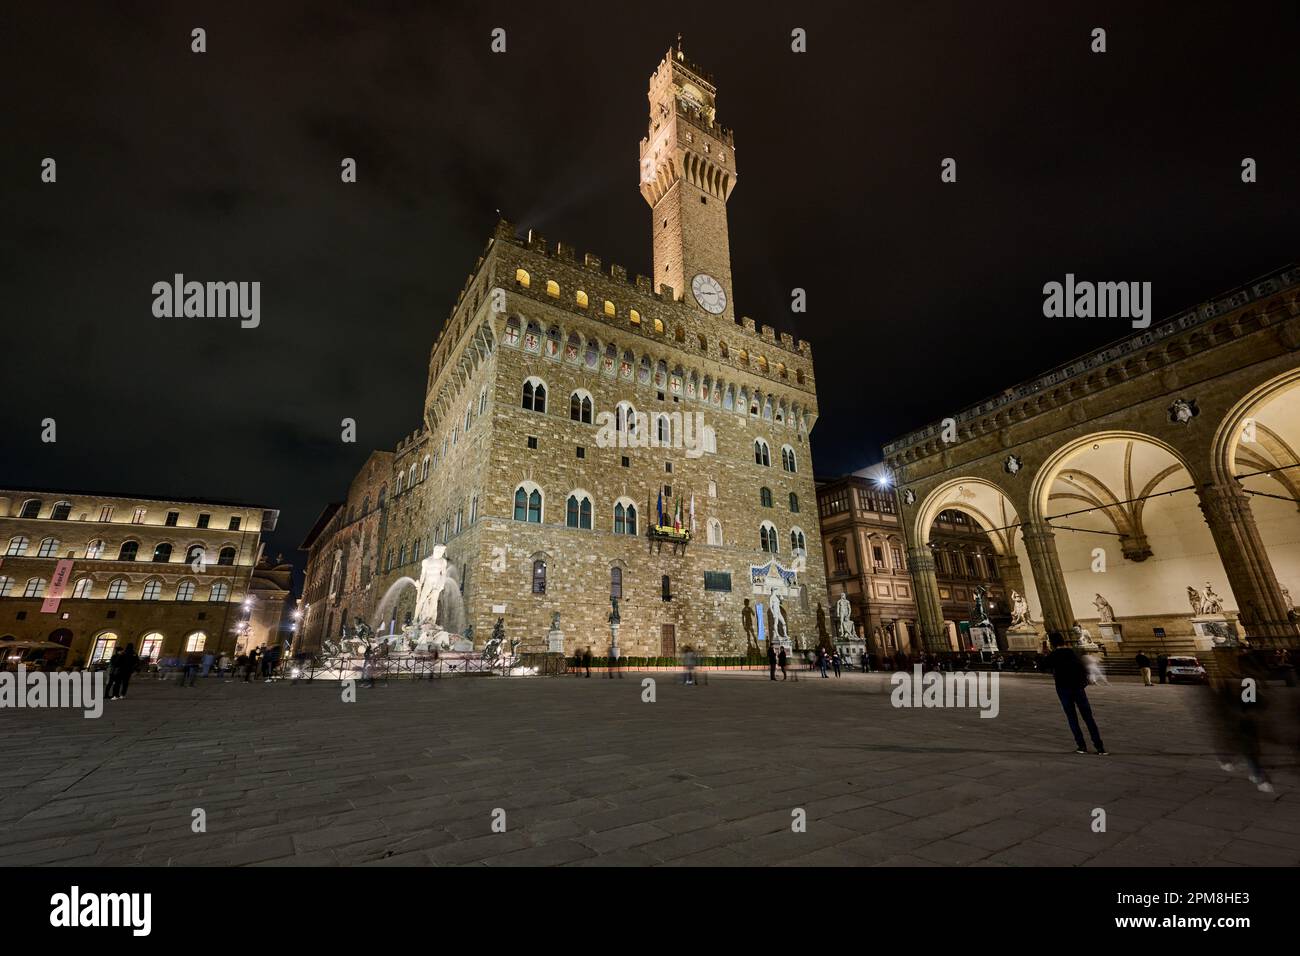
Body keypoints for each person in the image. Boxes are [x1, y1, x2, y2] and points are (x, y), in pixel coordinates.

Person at [1045, 632, 1107, 755]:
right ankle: (1100, 747)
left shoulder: (1054, 655)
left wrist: (1045, 653)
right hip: (1078, 688)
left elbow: (1043, 666)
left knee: (1072, 718)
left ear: (1052, 643)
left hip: (1063, 689)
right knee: (1088, 718)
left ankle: (1081, 746)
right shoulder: (1073, 653)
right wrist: (1082, 684)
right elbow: (1082, 669)